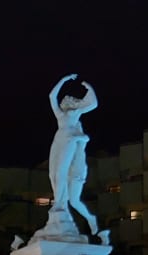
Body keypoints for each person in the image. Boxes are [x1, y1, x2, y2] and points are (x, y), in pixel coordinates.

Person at [47, 74, 100, 235]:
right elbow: (52, 96)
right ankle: (59, 202)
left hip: (69, 141)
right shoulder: (60, 115)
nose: (65, 101)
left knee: (60, 172)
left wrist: (88, 88)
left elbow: (94, 104)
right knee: (52, 174)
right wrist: (63, 80)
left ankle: (59, 204)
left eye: (68, 100)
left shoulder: (76, 114)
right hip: (58, 140)